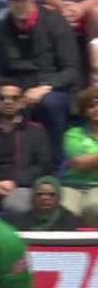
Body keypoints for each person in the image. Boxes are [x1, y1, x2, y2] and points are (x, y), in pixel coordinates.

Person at [0, 0, 80, 168]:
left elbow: (71, 70)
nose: (20, 5)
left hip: (51, 87)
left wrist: (45, 87)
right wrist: (13, 96)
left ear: (34, 2)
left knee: (50, 103)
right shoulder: (0, 29)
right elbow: (1, 71)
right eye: (15, 1)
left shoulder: (55, 22)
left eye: (24, 0)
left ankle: (55, 165)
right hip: (15, 87)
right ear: (8, 3)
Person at [0, 78, 52, 214]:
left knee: (16, 205)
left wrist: (15, 182)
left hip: (21, 186)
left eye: (14, 98)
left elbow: (43, 166)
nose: (8, 102)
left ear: (22, 102)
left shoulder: (35, 131)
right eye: (3, 98)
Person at [61, 86, 98, 226]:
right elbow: (79, 163)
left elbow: (86, 161)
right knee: (66, 209)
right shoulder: (73, 134)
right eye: (91, 106)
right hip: (72, 186)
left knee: (95, 207)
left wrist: (91, 159)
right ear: (85, 111)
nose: (96, 109)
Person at [5, 176, 85, 230]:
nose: (45, 198)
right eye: (39, 194)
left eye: (51, 194)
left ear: (59, 197)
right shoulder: (21, 220)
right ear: (33, 197)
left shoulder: (70, 220)